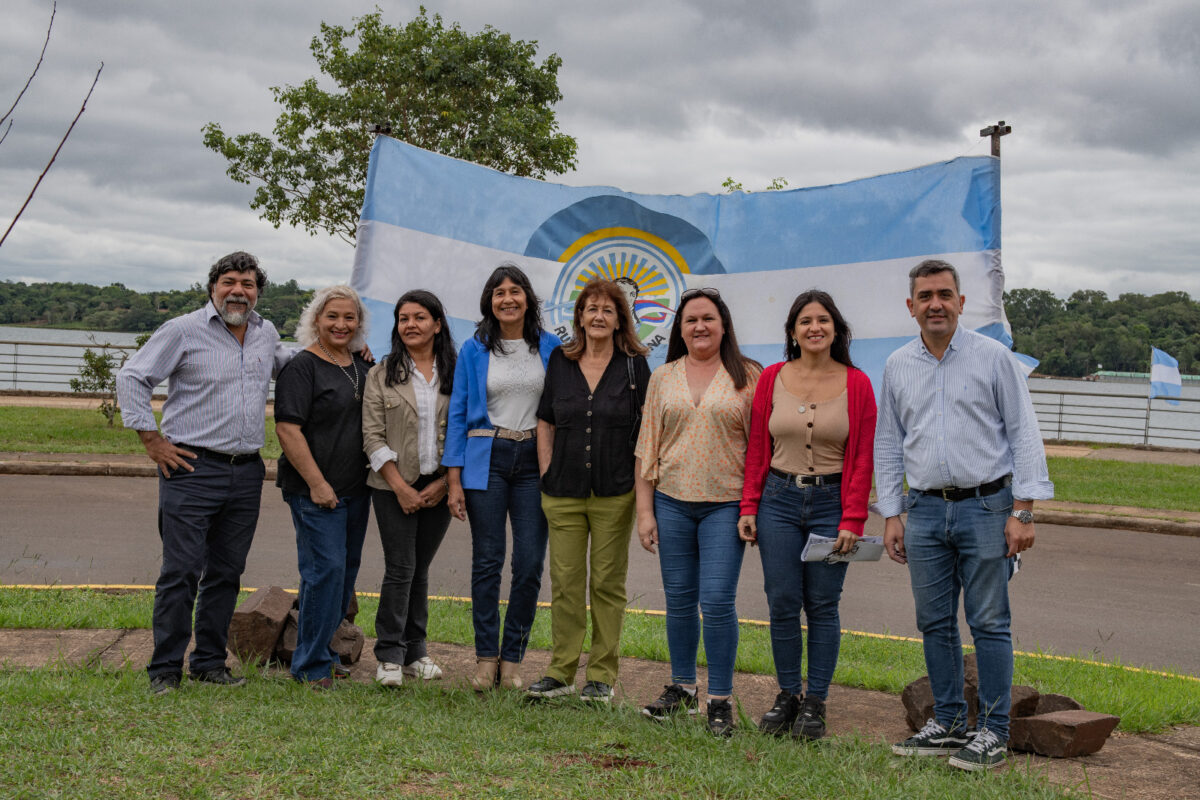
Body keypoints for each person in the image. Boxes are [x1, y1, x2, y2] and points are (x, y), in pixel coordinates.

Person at [876, 259, 1053, 771]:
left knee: (989, 621)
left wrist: (1024, 509)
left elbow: (1024, 433)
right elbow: (888, 442)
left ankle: (994, 730)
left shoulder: (994, 358)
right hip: (925, 510)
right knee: (933, 621)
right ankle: (949, 722)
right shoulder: (897, 365)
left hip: (987, 506)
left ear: (960, 302)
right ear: (911, 306)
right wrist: (892, 512)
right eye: (926, 295)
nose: (936, 303)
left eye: (945, 294)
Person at [116, 251, 289, 695]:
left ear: (258, 291)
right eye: (229, 281)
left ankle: (210, 663)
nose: (238, 290)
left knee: (227, 573)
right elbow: (133, 377)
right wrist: (152, 441)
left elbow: (292, 365)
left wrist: (347, 350)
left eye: (248, 284)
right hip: (191, 467)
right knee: (182, 571)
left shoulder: (266, 333)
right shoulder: (182, 330)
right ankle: (165, 670)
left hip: (247, 471)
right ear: (213, 287)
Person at [737, 290, 876, 740]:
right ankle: (788, 695)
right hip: (777, 500)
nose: (814, 328)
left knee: (822, 604)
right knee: (781, 602)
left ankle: (816, 701)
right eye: (804, 321)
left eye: (823, 320)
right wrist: (749, 506)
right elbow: (758, 448)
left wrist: (852, 519)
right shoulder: (772, 377)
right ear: (793, 332)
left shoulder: (858, 383)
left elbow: (863, 459)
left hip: (832, 505)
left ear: (836, 329)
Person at [634, 287, 760, 736]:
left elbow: (760, 451)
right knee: (680, 602)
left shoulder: (748, 376)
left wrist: (752, 506)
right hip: (671, 502)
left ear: (723, 324)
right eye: (691, 320)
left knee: (719, 601)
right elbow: (647, 447)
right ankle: (682, 690)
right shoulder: (663, 376)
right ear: (680, 329)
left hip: (726, 507)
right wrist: (645, 513)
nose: (700, 326)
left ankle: (720, 700)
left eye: (708, 318)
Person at [526, 279, 650, 703]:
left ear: (619, 321)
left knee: (607, 585)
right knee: (565, 582)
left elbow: (647, 431)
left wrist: (639, 487)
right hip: (561, 491)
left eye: (608, 310)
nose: (598, 316)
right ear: (579, 316)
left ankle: (600, 677)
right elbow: (545, 419)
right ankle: (560, 673)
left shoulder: (635, 365)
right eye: (591, 308)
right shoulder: (561, 361)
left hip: (615, 493)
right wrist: (546, 470)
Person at [443, 264, 561, 690]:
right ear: (489, 302)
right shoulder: (475, 350)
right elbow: (457, 414)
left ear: (528, 298)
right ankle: (485, 659)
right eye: (498, 292)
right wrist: (453, 478)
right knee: (487, 562)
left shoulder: (552, 347)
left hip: (536, 461)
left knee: (529, 563)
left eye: (515, 291)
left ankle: (513, 660)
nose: (507, 298)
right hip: (486, 457)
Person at [274, 285, 373, 689]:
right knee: (324, 571)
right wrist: (316, 483)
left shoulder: (364, 365)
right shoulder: (302, 367)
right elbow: (287, 427)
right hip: (314, 490)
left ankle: (325, 654)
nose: (341, 324)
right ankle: (310, 664)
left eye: (349, 317)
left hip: (357, 489)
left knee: (344, 576)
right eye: (332, 316)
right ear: (316, 320)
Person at [361, 290, 455, 688]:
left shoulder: (455, 371)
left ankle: (417, 652)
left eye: (419, 317)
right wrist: (400, 487)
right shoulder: (381, 373)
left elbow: (464, 430)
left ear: (437, 323)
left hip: (440, 487)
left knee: (420, 570)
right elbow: (372, 435)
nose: (411, 325)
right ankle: (389, 655)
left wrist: (442, 484)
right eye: (403, 318)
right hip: (391, 487)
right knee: (400, 568)